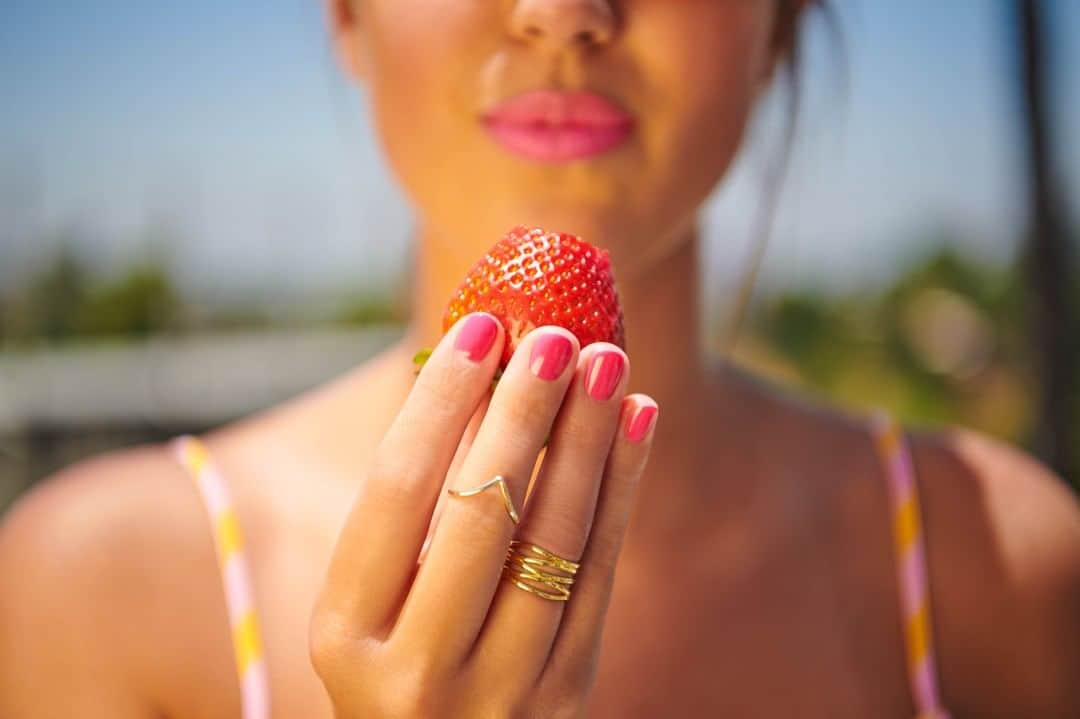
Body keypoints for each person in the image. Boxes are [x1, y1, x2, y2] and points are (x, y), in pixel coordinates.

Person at [2, 1, 1078, 717]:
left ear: (782, 26)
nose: (564, 10)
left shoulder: (999, 565)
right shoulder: (89, 592)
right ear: (345, 13)